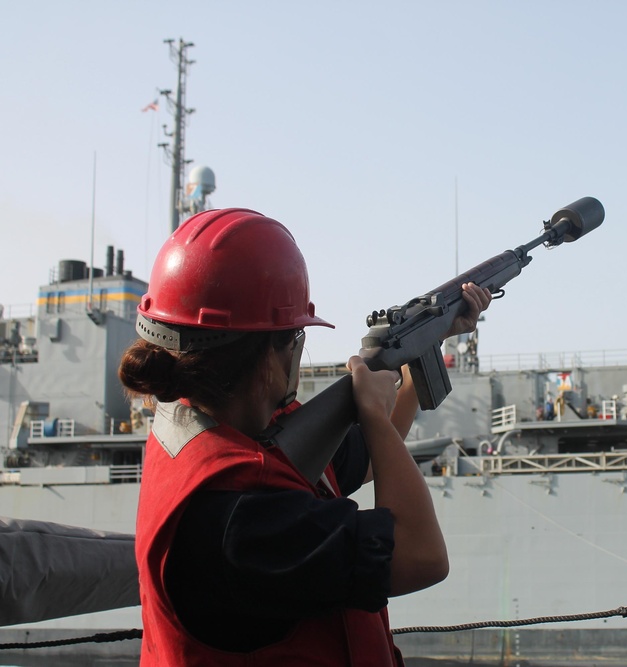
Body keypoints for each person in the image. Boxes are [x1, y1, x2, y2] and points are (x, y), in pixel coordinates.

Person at [118, 208, 491, 666]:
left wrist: (422, 348)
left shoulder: (214, 430)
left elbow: (369, 460)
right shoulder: (242, 517)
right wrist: (371, 413)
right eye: (295, 334)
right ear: (270, 358)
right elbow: (422, 556)